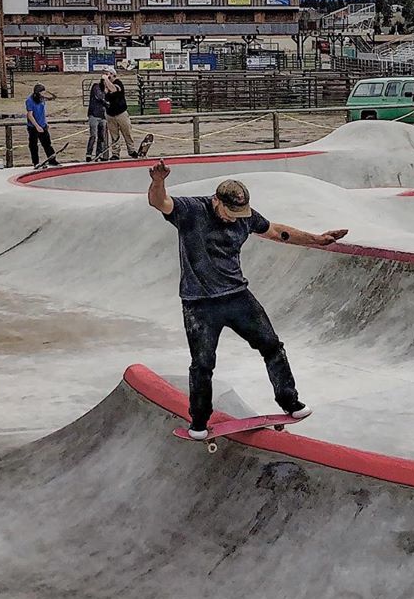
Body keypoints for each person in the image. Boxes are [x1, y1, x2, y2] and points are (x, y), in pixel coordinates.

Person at [147, 159, 349, 439]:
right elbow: (160, 202)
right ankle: (199, 422)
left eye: (239, 213)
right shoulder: (191, 210)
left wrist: (317, 239)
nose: (234, 218)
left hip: (238, 297)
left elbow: (278, 231)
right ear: (216, 201)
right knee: (203, 364)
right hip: (199, 304)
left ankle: (289, 401)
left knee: (272, 346)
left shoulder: (246, 216)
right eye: (230, 212)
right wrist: (158, 182)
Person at [103, 70, 137, 159]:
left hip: (121, 113)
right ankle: (115, 154)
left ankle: (131, 150)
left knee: (127, 133)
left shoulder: (118, 83)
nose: (107, 76)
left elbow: (113, 89)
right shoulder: (105, 85)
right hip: (110, 114)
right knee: (114, 136)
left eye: (109, 74)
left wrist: (107, 79)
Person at [25, 83, 59, 167]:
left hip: (42, 124)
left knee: (47, 143)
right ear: (38, 92)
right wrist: (37, 126)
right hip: (33, 126)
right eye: (42, 92)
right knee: (33, 145)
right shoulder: (30, 100)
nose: (43, 94)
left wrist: (45, 122)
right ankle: (35, 162)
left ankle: (52, 160)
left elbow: (43, 111)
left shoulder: (42, 99)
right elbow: (30, 114)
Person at [86, 74, 108, 162]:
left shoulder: (106, 90)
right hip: (94, 115)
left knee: (101, 137)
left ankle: (99, 154)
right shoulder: (96, 87)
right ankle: (89, 154)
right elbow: (99, 97)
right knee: (93, 136)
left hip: (102, 115)